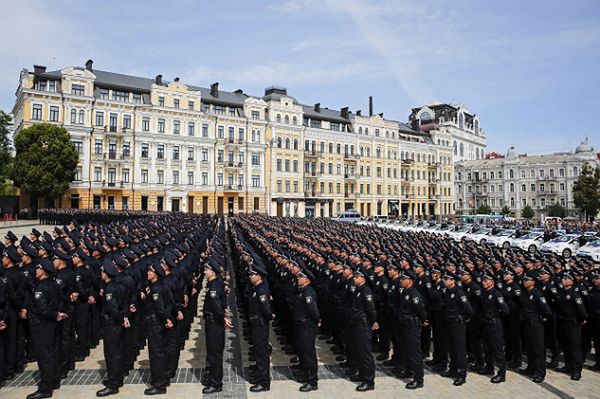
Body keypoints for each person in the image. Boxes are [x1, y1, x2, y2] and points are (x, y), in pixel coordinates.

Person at [24, 258, 60, 399]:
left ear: (43, 271)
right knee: (52, 353)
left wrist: (55, 314)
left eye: (38, 269)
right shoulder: (54, 284)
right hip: (52, 325)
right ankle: (54, 380)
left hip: (42, 325)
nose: (36, 271)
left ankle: (45, 388)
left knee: (44, 357)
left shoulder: (40, 287)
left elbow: (43, 310)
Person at [96, 260, 129, 397]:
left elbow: (113, 309)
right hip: (118, 323)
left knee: (111, 354)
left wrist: (121, 318)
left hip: (112, 324)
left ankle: (113, 383)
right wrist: (125, 316)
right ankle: (118, 378)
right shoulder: (119, 285)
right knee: (118, 352)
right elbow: (126, 303)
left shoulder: (110, 288)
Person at [143, 260, 174, 395]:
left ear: (155, 274)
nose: (148, 273)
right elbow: (171, 302)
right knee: (162, 351)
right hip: (160, 324)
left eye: (150, 271)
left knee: (156, 354)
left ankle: (159, 384)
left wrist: (166, 319)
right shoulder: (163, 285)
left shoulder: (156, 289)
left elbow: (160, 309)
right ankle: (164, 378)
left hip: (156, 324)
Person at [202, 260, 231, 394]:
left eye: (206, 270)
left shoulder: (213, 288)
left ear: (212, 272)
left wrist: (223, 318)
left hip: (214, 323)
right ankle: (214, 378)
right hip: (215, 322)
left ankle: (216, 383)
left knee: (214, 354)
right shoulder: (217, 282)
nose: (204, 272)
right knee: (214, 352)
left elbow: (217, 307)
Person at [395, 269, 428, 390]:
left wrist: (423, 320)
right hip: (405, 324)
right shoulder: (405, 291)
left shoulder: (414, 294)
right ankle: (408, 370)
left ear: (410, 281)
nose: (401, 281)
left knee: (414, 352)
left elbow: (421, 311)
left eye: (403, 279)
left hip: (412, 325)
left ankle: (419, 379)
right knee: (406, 349)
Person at [349, 266, 378, 391]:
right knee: (359, 351)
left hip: (363, 325)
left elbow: (371, 310)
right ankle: (362, 374)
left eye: (356, 277)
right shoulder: (358, 289)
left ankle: (369, 381)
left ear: (363, 278)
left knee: (365, 354)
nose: (354, 278)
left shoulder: (366, 291)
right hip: (356, 324)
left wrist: (373, 322)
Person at [518, 274, 552, 383]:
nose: (525, 282)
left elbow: (547, 311)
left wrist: (541, 319)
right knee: (529, 347)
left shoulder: (537, 294)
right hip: (527, 323)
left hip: (536, 324)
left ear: (533, 281)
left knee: (538, 349)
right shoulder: (524, 294)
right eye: (524, 280)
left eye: (527, 280)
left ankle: (540, 372)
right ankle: (531, 368)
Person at [554, 271, 587, 381]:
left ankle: (577, 370)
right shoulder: (561, 293)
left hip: (573, 323)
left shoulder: (574, 294)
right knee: (566, 346)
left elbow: (581, 311)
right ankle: (568, 366)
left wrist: (581, 320)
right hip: (563, 322)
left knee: (574, 347)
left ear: (572, 281)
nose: (563, 280)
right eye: (563, 278)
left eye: (566, 279)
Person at [441, 272, 472, 386]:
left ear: (452, 280)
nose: (444, 281)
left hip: (458, 323)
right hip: (449, 322)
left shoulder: (459, 292)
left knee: (459, 349)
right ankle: (453, 369)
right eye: (444, 279)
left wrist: (464, 319)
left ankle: (462, 373)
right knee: (451, 347)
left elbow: (468, 309)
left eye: (447, 279)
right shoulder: (446, 292)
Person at [293, 268, 320, 392]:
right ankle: (305, 374)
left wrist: (317, 320)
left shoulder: (308, 293)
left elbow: (313, 311)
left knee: (309, 354)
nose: (298, 278)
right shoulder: (302, 291)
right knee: (303, 352)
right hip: (301, 325)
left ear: (307, 280)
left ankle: (312, 381)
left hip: (307, 326)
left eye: (300, 277)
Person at [480, 273, 510, 384]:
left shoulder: (497, 294)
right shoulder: (484, 293)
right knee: (487, 348)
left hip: (495, 325)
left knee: (498, 349)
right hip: (486, 324)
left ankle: (502, 373)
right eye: (483, 281)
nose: (483, 282)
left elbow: (506, 311)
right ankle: (489, 368)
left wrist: (496, 317)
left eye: (486, 280)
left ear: (492, 282)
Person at [247, 266, 273, 392]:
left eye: (252, 275)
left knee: (262, 353)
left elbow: (266, 309)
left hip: (261, 324)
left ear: (259, 277)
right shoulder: (257, 288)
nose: (250, 277)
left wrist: (269, 317)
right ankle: (260, 375)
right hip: (256, 323)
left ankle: (264, 382)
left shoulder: (262, 290)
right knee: (258, 351)